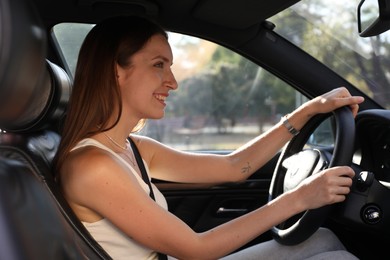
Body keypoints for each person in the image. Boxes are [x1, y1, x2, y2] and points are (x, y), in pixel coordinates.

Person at [54, 15, 364, 260]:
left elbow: (234, 167)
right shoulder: (92, 165)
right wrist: (300, 198)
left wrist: (307, 111)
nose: (173, 82)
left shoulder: (133, 148)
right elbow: (196, 250)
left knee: (322, 238)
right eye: (158, 65)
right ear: (115, 71)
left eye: (170, 67)